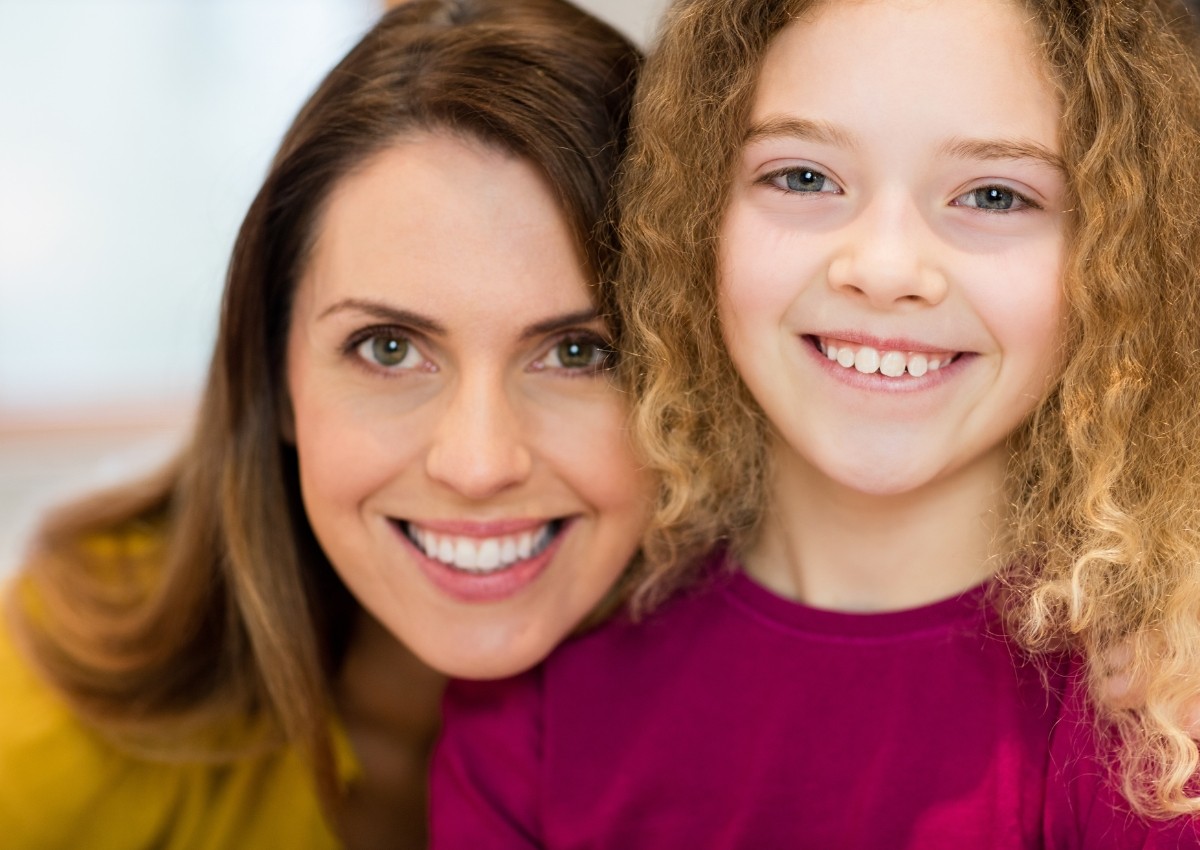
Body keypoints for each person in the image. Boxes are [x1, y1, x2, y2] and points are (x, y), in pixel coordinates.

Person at [430, 0, 1200, 845]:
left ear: (1117, 252)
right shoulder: (542, 692)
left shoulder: (1155, 732)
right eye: (803, 178)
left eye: (993, 194)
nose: (883, 268)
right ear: (698, 218)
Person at [0, 1, 645, 848]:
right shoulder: (46, 727)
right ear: (276, 373)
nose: (479, 463)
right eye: (387, 347)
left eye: (578, 353)